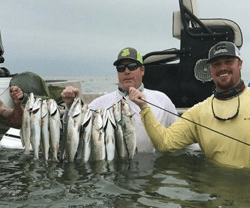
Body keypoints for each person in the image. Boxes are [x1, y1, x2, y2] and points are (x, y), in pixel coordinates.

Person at [129, 41, 250, 169]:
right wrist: (144, 108)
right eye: (216, 64)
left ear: (240, 64)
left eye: (228, 62)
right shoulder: (198, 112)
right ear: (209, 70)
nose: (222, 68)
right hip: (214, 186)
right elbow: (165, 143)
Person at [62, 47, 178, 152]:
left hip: (153, 170)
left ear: (142, 70)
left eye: (132, 66)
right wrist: (71, 106)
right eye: (121, 68)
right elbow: (76, 132)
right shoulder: (99, 104)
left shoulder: (162, 100)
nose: (127, 71)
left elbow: (180, 134)